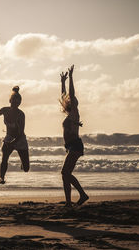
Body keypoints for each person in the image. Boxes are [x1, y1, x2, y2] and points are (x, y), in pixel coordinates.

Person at [60, 65, 89, 206]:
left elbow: (70, 94)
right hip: (70, 146)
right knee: (65, 175)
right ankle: (68, 202)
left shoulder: (75, 113)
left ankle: (83, 195)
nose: (72, 100)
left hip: (75, 145)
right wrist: (62, 82)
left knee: (65, 173)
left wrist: (71, 77)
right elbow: (64, 96)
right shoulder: (69, 114)